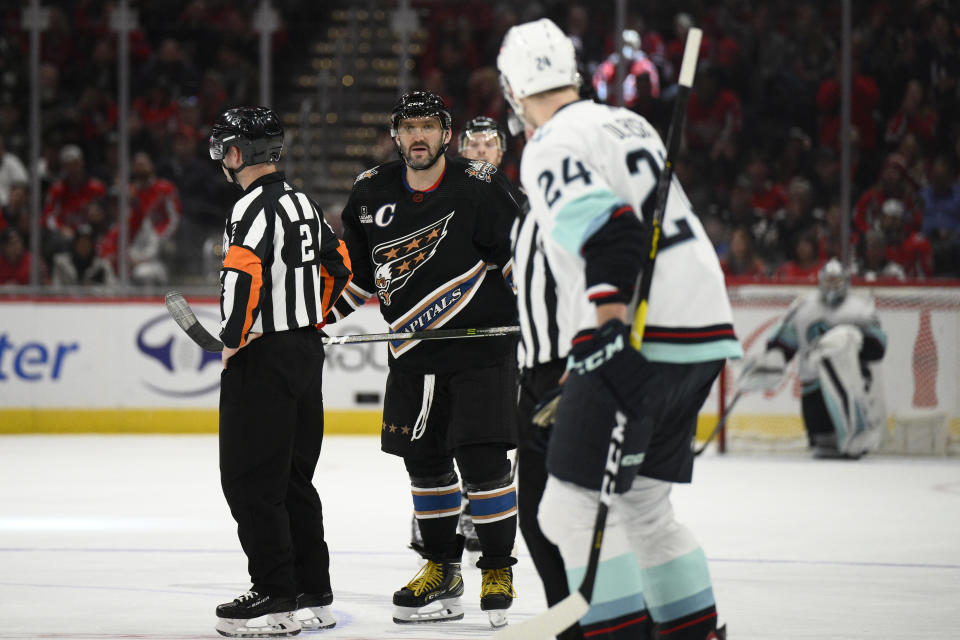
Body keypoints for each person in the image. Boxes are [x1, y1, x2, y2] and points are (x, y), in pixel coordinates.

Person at [498, 18, 743, 640]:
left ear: (513, 89)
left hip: (638, 333)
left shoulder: (550, 142)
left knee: (565, 510)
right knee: (643, 507)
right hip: (703, 327)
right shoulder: (626, 122)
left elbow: (614, 232)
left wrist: (606, 324)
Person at [326, 91, 521, 628]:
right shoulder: (371, 191)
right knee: (426, 466)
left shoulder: (479, 187)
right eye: (408, 126)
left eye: (428, 126)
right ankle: (441, 569)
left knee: (483, 463)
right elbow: (361, 278)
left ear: (446, 134)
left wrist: (542, 317)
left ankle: (498, 567)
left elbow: (514, 259)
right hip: (412, 354)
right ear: (396, 135)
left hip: (481, 352)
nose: (418, 135)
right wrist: (317, 321)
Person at [209, 106, 352, 638]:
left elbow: (243, 276)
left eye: (226, 147)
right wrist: (312, 317)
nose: (223, 157)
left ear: (239, 153)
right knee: (294, 478)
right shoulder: (304, 203)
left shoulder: (248, 208)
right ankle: (314, 593)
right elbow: (341, 265)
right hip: (304, 355)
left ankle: (274, 597)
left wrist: (233, 339)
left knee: (250, 481)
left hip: (262, 359)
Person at [749, 259, 887, 459]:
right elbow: (784, 346)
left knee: (853, 443)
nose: (832, 286)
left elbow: (878, 350)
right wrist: (771, 360)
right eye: (828, 281)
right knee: (823, 444)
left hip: (852, 386)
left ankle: (858, 429)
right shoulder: (804, 307)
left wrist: (850, 343)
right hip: (813, 386)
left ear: (846, 281)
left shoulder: (860, 309)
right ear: (820, 281)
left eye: (836, 281)